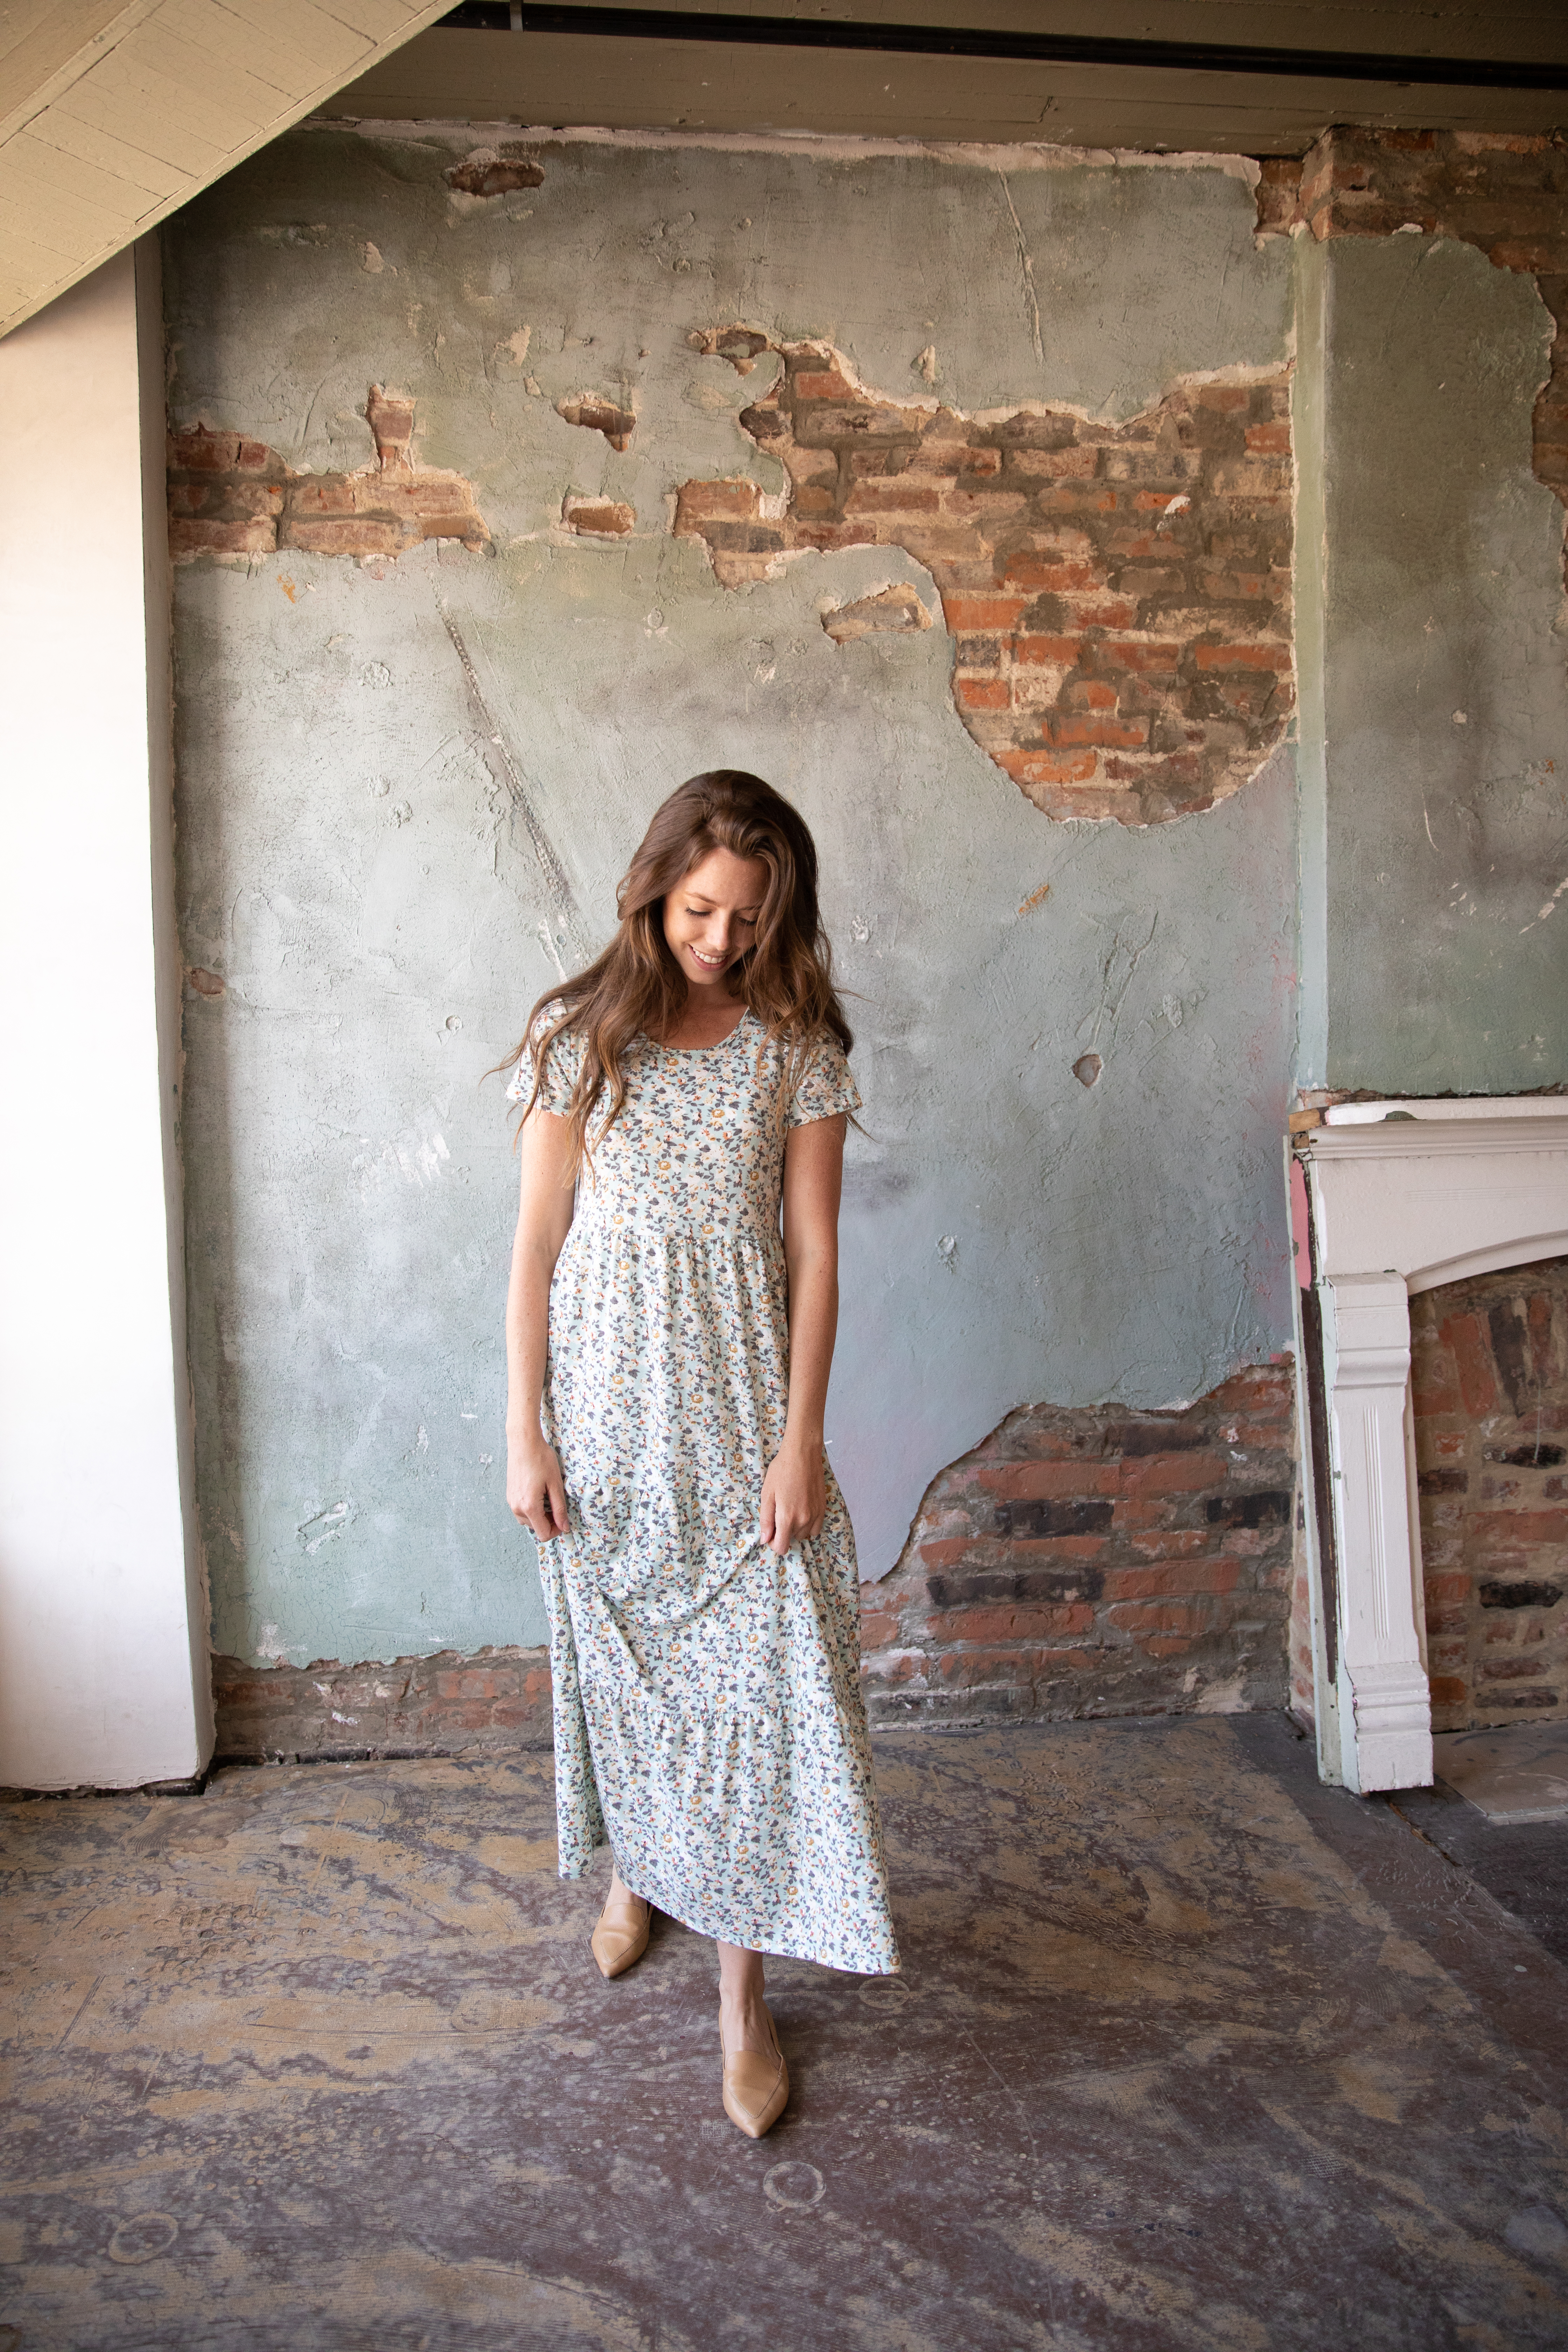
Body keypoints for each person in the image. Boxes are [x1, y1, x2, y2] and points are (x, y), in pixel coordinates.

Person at [503, 769, 898, 2140]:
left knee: (759, 1705)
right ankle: (641, 1871)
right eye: (699, 908)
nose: (720, 939)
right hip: (610, 1429)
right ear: (655, 886)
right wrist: (526, 1430)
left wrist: (804, 1444)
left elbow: (818, 1256)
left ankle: (743, 2003)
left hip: (741, 1425)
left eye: (746, 916)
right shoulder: (579, 1038)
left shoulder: (795, 1047)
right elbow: (537, 1252)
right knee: (628, 1674)